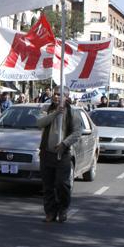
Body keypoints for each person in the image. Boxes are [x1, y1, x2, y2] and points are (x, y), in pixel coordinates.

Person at [36, 85, 82, 223]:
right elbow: (40, 123)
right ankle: (50, 212)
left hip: (63, 154)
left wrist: (64, 144)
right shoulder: (46, 109)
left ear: (66, 97)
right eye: (55, 94)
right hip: (47, 153)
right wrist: (55, 113)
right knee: (47, 185)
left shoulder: (72, 113)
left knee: (62, 184)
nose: (56, 96)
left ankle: (63, 209)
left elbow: (77, 132)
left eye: (60, 95)